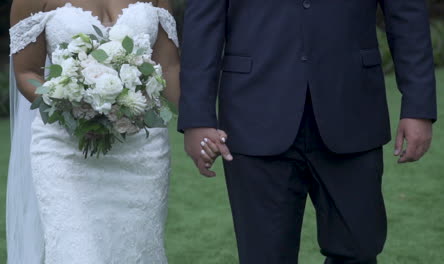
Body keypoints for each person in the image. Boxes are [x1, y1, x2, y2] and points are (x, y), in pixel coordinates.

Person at [179, 0, 437, 263]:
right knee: (265, 256)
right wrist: (196, 117)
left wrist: (418, 106)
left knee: (359, 250)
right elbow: (202, 23)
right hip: (254, 111)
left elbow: (407, 14)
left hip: (352, 107)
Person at [7, 0, 188, 263]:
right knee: (76, 252)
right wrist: (72, 103)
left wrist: (198, 122)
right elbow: (27, 72)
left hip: (142, 151)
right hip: (66, 151)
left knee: (138, 251)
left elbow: (169, 68)